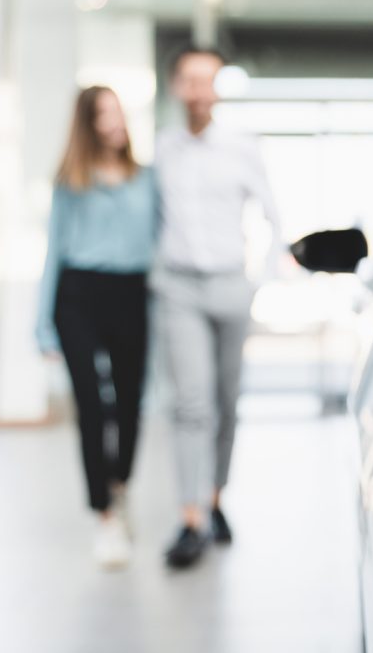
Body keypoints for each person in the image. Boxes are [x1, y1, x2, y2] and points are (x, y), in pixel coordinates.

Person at [153, 46, 283, 569]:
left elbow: (275, 218)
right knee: (191, 405)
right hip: (177, 288)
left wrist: (259, 284)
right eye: (190, 80)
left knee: (227, 402)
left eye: (208, 81)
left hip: (231, 287)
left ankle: (213, 497)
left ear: (218, 89)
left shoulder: (241, 147)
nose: (199, 91)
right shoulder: (162, 149)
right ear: (175, 87)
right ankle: (190, 520)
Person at [36, 86, 156, 569]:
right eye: (103, 114)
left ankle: (120, 485)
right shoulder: (70, 181)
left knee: (129, 403)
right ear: (87, 122)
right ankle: (105, 516)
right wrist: (43, 326)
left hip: (130, 294)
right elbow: (53, 253)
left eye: (117, 112)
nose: (114, 122)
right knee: (90, 406)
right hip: (78, 297)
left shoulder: (146, 179)